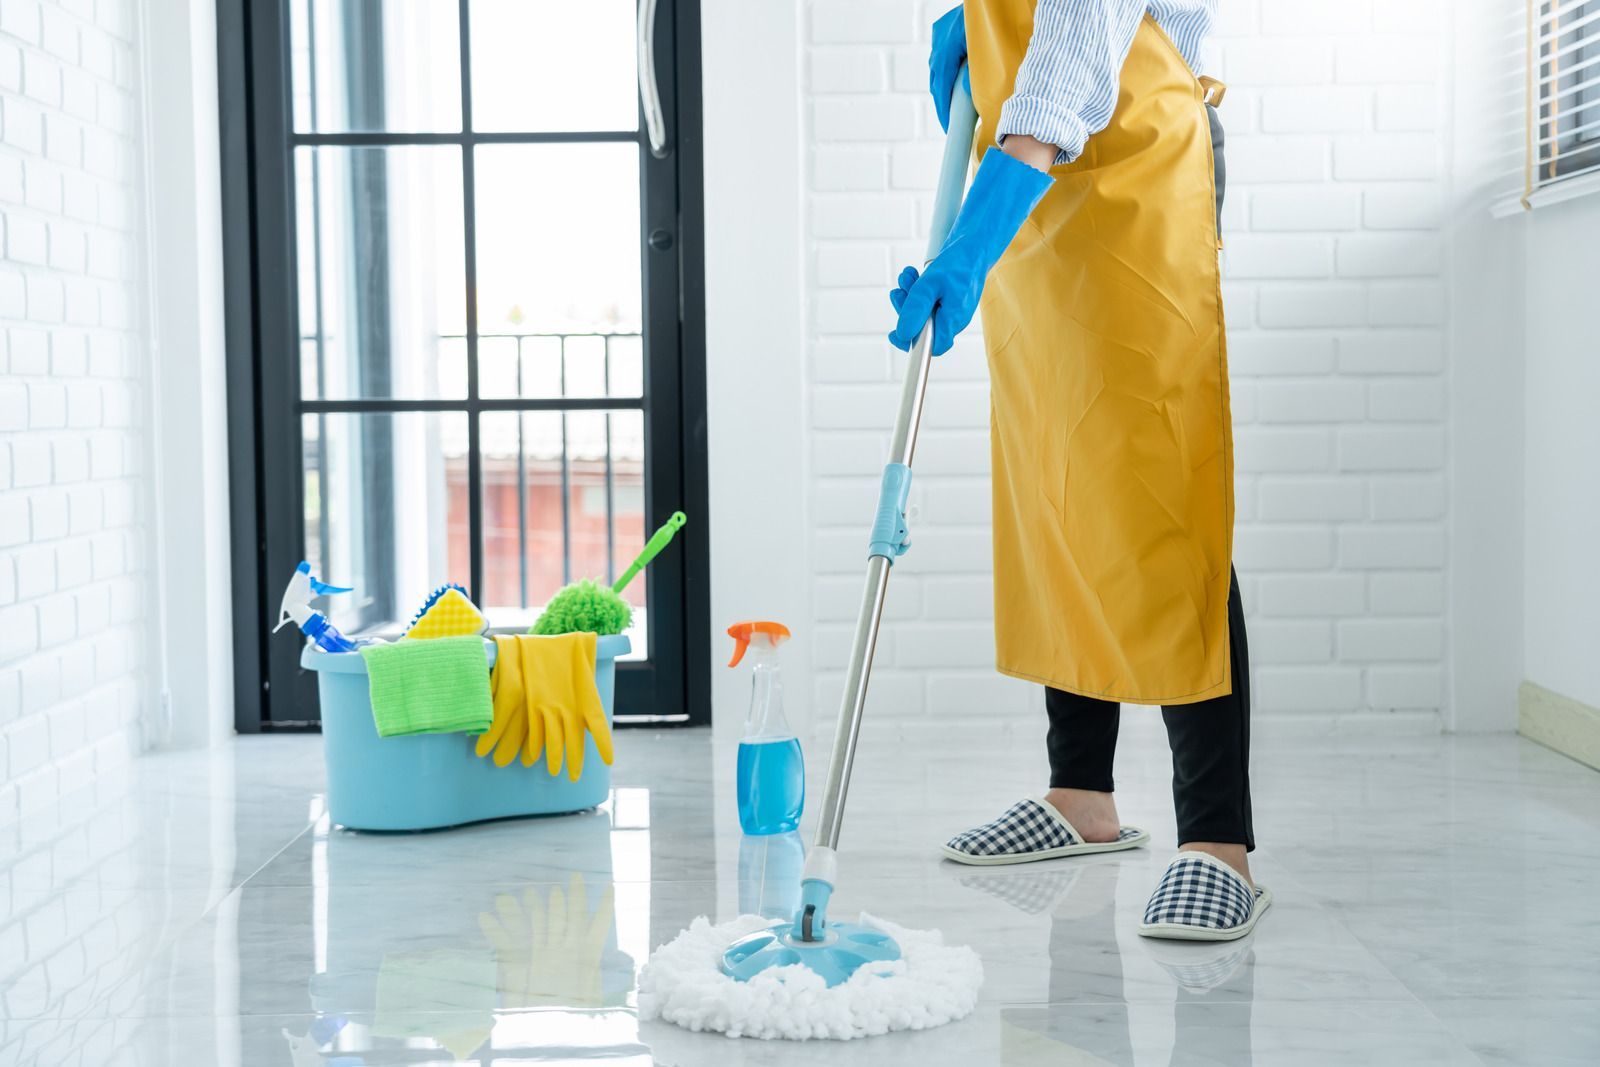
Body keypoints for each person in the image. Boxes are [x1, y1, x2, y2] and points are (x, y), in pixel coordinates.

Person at [892, 0, 1268, 940]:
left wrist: (966, 250)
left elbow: (1060, 86)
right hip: (1040, 196)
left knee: (1158, 497)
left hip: (1133, 180)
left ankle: (1218, 844)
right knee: (1057, 482)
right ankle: (1080, 796)